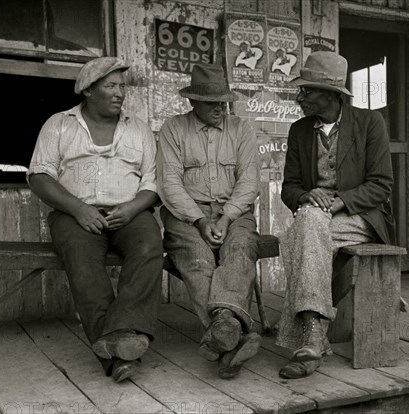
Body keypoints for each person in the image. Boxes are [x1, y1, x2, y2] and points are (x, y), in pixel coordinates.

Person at [28, 57, 163, 383]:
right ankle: (118, 357)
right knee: (82, 258)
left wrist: (132, 208)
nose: (120, 93)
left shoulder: (139, 129)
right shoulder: (59, 124)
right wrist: (78, 208)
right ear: (88, 90)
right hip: (75, 215)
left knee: (149, 245)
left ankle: (116, 336)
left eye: (122, 86)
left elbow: (154, 183)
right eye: (111, 86)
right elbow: (39, 176)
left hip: (129, 212)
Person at [276, 51, 396, 379]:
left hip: (360, 217)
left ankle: (306, 333)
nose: (300, 97)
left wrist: (340, 201)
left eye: (307, 91)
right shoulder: (300, 130)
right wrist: (306, 195)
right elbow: (289, 188)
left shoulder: (370, 124)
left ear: (329, 95)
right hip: (316, 218)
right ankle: (313, 336)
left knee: (296, 236)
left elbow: (382, 185)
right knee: (307, 224)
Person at [157, 63, 261, 379]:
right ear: (193, 101)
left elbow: (249, 181)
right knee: (197, 258)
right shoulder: (174, 129)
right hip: (187, 216)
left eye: (223, 101)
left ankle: (222, 333)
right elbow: (169, 183)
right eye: (211, 102)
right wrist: (201, 221)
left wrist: (227, 217)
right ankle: (232, 334)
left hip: (235, 213)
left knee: (240, 249)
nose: (219, 107)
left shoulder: (241, 128)